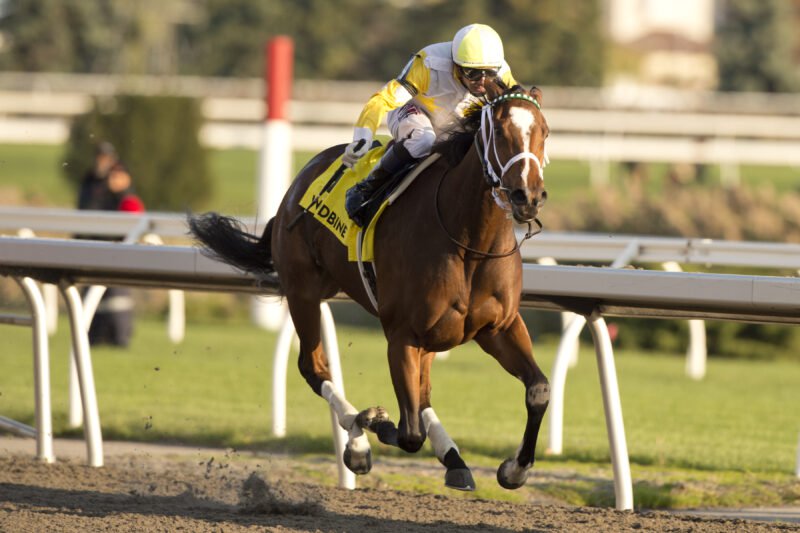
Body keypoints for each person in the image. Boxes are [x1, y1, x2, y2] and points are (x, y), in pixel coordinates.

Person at [343, 23, 519, 226]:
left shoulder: (503, 72)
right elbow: (382, 100)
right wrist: (362, 137)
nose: (482, 81)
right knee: (424, 140)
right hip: (414, 111)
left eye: (489, 73)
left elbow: (517, 113)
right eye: (473, 73)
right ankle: (367, 187)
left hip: (456, 123)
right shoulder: (429, 63)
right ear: (456, 65)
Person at [76, 142, 145, 347]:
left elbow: (131, 209)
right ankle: (92, 336)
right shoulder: (90, 181)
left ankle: (119, 336)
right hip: (92, 244)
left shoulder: (121, 178)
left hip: (115, 246)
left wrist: (120, 190)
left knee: (116, 296)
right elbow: (85, 210)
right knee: (90, 295)